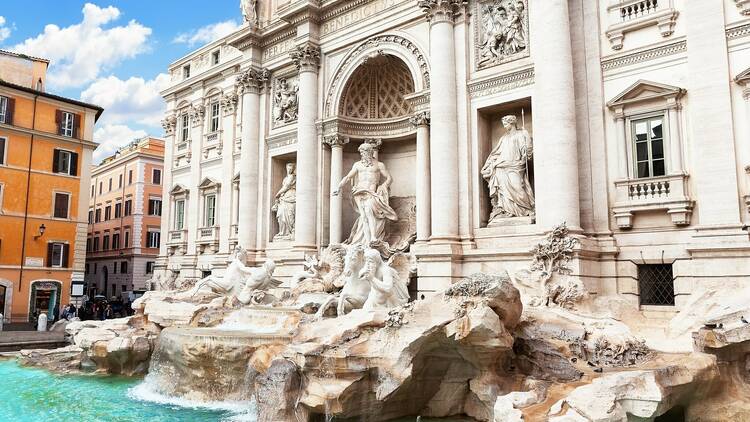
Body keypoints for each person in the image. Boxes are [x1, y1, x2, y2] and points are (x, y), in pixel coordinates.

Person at [333, 143, 398, 245]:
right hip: (359, 192)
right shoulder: (357, 165)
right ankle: (368, 242)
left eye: (364, 152)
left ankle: (373, 236)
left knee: (369, 211)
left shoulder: (379, 165)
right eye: (361, 153)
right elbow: (348, 177)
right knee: (363, 216)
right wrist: (339, 187)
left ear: (370, 152)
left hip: (371, 192)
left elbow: (389, 178)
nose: (362, 155)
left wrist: (383, 186)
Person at [481, 115, 535, 222]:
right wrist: (490, 164)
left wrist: (526, 137)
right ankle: (507, 211)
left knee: (518, 187)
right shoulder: (504, 138)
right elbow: (496, 153)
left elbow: (528, 151)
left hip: (516, 165)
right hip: (501, 166)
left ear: (512, 123)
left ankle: (526, 209)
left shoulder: (521, 134)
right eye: (504, 124)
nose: (505, 126)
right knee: (503, 190)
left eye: (506, 124)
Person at [272, 162, 296, 240]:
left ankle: (290, 231)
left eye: (291, 168)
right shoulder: (285, 178)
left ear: (293, 169)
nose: (289, 169)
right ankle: (283, 232)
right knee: (281, 214)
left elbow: (287, 186)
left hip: (291, 196)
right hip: (284, 197)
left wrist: (278, 194)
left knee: (289, 215)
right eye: (288, 168)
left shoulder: (292, 177)